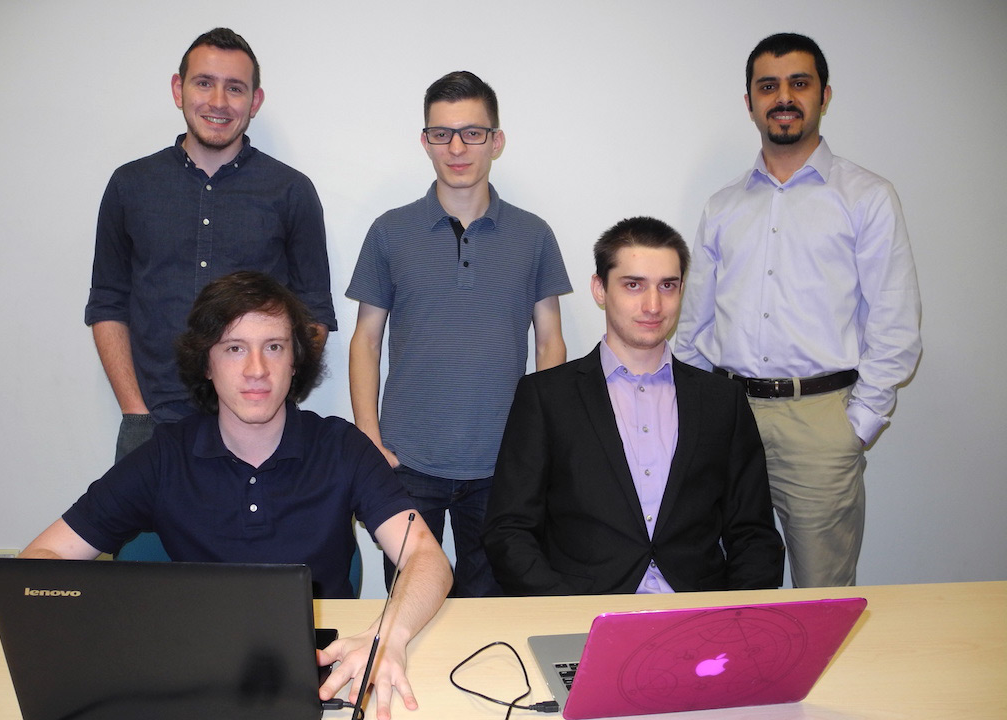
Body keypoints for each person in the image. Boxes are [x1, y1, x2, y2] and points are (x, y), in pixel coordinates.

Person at [24, 271, 452, 720]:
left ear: (294, 361)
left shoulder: (341, 447)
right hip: (190, 676)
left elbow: (427, 558)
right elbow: (42, 556)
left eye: (274, 347)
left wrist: (388, 635)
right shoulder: (165, 455)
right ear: (206, 365)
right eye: (234, 348)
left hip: (324, 677)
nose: (256, 370)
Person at [674, 33, 921, 588]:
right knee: (722, 585)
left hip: (822, 423)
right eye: (768, 86)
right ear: (750, 102)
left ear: (824, 95)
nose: (783, 97)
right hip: (728, 417)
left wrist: (855, 426)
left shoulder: (866, 197)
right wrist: (694, 415)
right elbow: (693, 324)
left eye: (798, 84)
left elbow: (896, 326)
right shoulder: (722, 206)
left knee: (821, 595)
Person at [346, 71, 572, 597]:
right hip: (406, 461)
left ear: (497, 140)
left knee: (491, 610)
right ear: (424, 141)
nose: (457, 147)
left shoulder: (533, 235)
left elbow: (550, 343)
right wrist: (368, 438)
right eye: (442, 133)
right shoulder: (389, 231)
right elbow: (365, 339)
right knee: (409, 605)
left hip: (502, 463)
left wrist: (548, 441)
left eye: (473, 132)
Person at [483, 217, 784, 595]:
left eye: (667, 286)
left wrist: (732, 620)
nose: (653, 305)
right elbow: (508, 531)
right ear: (600, 289)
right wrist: (563, 613)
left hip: (695, 616)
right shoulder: (546, 398)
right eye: (633, 285)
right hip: (584, 616)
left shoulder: (722, 400)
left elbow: (754, 534)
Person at [85, 27, 336, 466]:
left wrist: (271, 401)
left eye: (234, 88)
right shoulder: (130, 186)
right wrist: (134, 410)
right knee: (142, 538)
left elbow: (313, 313)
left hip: (259, 432)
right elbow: (108, 303)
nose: (218, 102)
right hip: (153, 428)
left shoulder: (291, 191)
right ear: (178, 89)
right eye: (204, 83)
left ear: (254, 101)